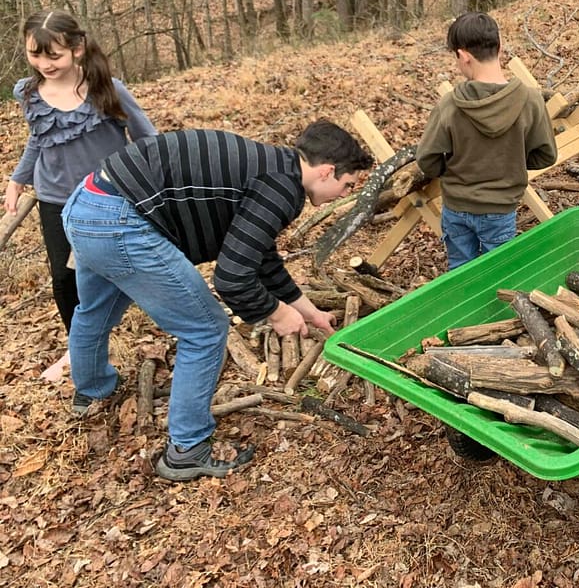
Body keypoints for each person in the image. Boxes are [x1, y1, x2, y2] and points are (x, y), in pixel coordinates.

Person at [61, 120, 374, 481]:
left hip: (86, 204)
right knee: (207, 328)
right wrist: (276, 313)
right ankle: (187, 451)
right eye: (347, 185)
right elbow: (231, 277)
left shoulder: (272, 166)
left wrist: (309, 310)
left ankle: (91, 393)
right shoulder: (282, 188)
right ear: (327, 171)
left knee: (95, 310)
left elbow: (260, 255)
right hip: (120, 221)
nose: (343, 194)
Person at [4, 10, 157, 380]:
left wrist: (151, 184)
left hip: (105, 197)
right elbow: (40, 139)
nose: (44, 64)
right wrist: (17, 179)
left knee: (109, 269)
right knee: (63, 277)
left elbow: (147, 140)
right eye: (34, 55)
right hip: (54, 198)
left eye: (53, 55)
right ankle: (79, 349)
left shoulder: (107, 89)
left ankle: (142, 320)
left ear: (77, 48)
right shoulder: (29, 92)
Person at [416, 12, 557, 270]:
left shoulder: (450, 105)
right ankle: (501, 312)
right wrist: (512, 159)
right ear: (499, 46)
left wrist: (449, 171)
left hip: (457, 207)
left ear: (464, 55)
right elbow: (546, 155)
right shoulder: (531, 100)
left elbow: (427, 158)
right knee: (500, 273)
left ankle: (465, 309)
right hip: (501, 209)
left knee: (461, 274)